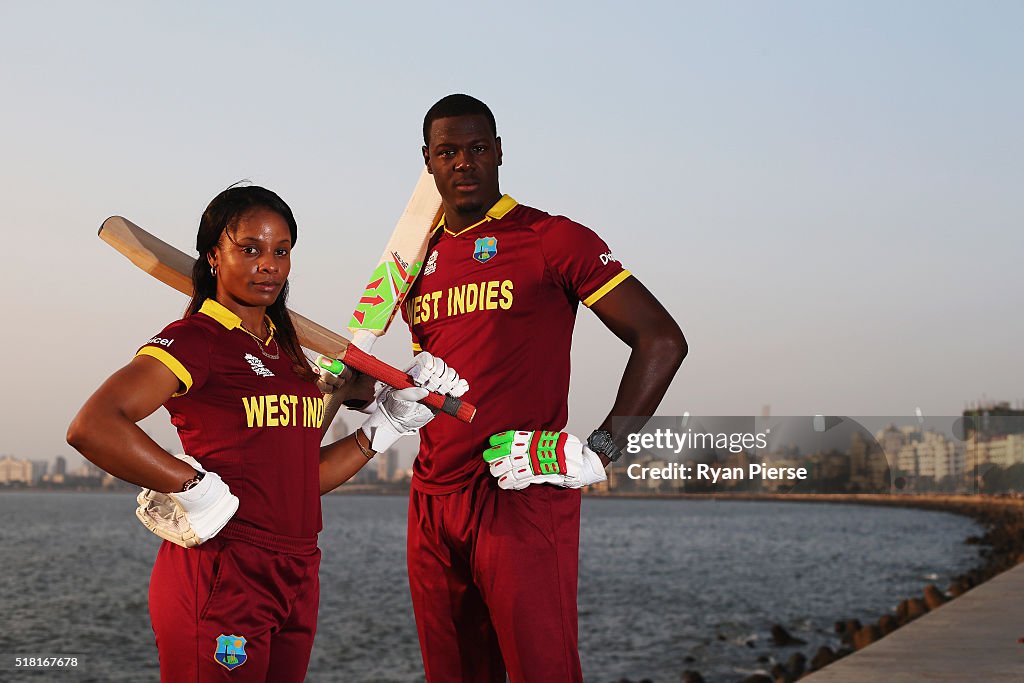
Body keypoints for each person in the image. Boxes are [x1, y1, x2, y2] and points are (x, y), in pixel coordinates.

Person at [66, 185, 466, 682]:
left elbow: (300, 479)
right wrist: (190, 485)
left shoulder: (291, 356)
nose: (269, 264)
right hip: (223, 568)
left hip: (297, 573)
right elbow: (94, 425)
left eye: (281, 251)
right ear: (214, 255)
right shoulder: (196, 339)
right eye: (250, 249)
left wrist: (381, 429)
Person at [403, 94, 688, 682]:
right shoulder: (410, 260)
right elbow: (425, 378)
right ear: (426, 161)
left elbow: (661, 340)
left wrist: (602, 450)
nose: (463, 163)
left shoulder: (550, 238)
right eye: (448, 152)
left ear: (500, 152)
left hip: (519, 491)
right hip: (432, 500)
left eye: (477, 148)